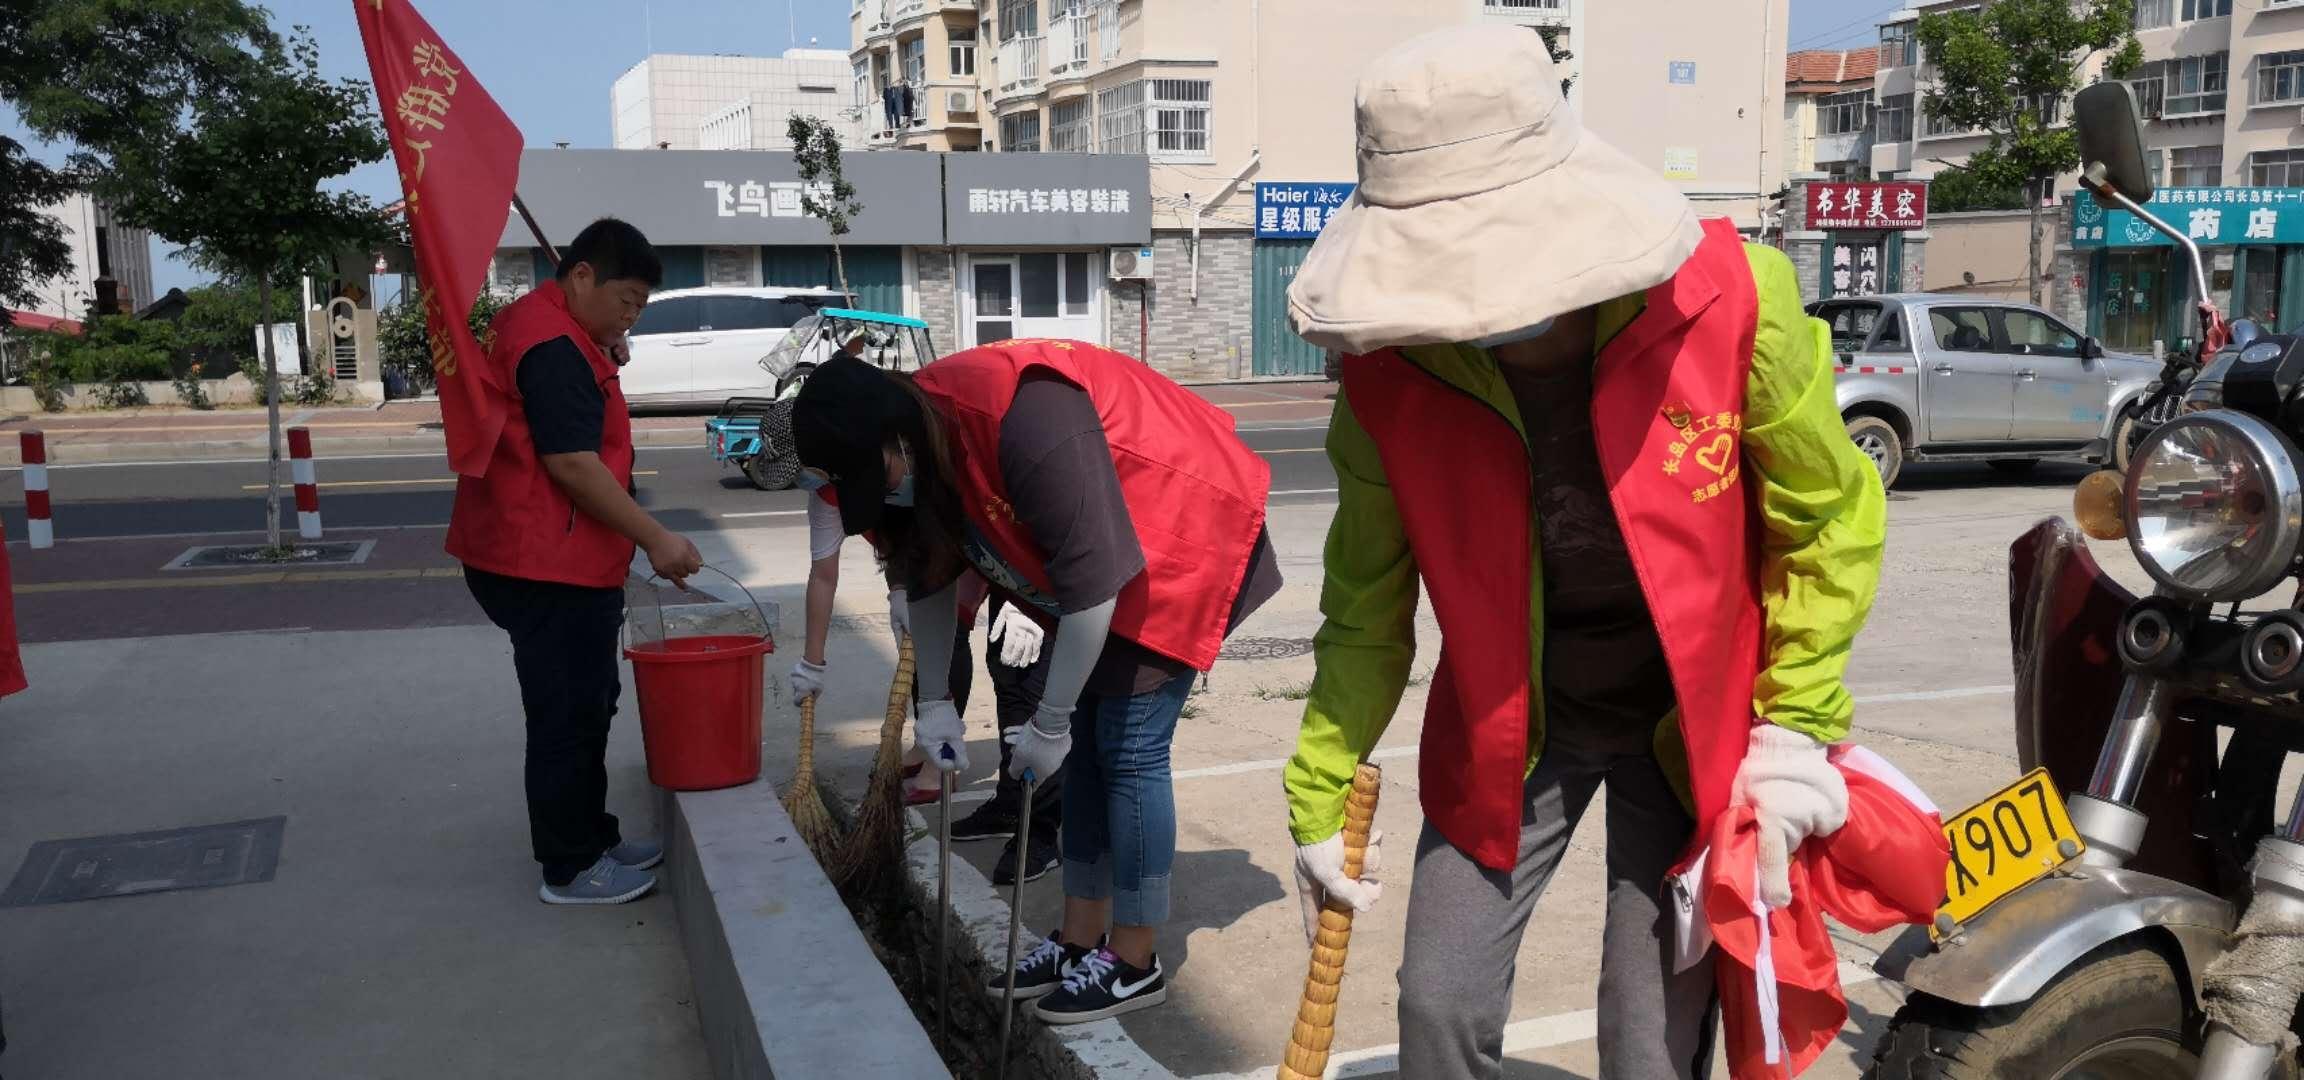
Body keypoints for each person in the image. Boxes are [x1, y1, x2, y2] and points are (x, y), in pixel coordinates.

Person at [1279, 29, 1887, 1079]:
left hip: (1686, 726)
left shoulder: (1735, 303)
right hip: (1512, 724)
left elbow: (1826, 515)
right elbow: (1366, 604)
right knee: (1436, 1005)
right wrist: (1320, 786)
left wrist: (1795, 727)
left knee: (1650, 1037)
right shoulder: (1388, 378)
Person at [791, 337, 1278, 1024]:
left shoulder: (1026, 416)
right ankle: (1080, 940)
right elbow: (923, 573)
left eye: (882, 476)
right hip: (1097, 573)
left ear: (896, 436)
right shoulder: (909, 453)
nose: (887, 495)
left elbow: (1092, 585)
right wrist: (935, 704)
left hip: (1181, 535)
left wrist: (1047, 718)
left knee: (1128, 750)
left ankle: (1134, 958)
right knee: (1084, 757)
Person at [448, 217, 703, 906]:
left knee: (590, 700)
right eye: (625, 298)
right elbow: (572, 464)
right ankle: (569, 866)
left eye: (641, 306)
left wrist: (605, 346)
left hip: (544, 551)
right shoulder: (554, 345)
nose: (631, 314)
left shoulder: (545, 326)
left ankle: (594, 834)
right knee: (567, 711)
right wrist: (655, 537)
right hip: (542, 559)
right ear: (581, 274)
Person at [789, 450, 1062, 884]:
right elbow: (829, 573)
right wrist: (812, 661)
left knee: (1017, 667)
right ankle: (1006, 799)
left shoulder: (923, 462)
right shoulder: (833, 492)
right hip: (946, 550)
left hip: (1004, 541)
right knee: (970, 655)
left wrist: (1032, 597)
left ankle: (1037, 830)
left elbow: (1022, 515)